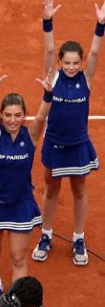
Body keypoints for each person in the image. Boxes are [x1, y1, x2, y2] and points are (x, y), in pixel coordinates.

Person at [32, 0, 105, 266]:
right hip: (54, 144)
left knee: (79, 189)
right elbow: (49, 48)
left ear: (80, 63)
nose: (71, 67)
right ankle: (47, 235)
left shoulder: (86, 79)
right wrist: (47, 20)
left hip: (77, 145)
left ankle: (78, 237)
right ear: (60, 62)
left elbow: (96, 54)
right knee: (51, 190)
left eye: (76, 62)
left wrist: (100, 25)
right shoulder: (52, 78)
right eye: (67, 62)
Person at [0, 65, 53, 307]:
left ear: (24, 116)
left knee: (19, 258)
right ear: (2, 115)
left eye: (18, 115)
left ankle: (16, 304)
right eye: (8, 115)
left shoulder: (30, 136)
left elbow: (41, 118)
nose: (13, 120)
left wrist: (48, 95)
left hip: (20, 203)